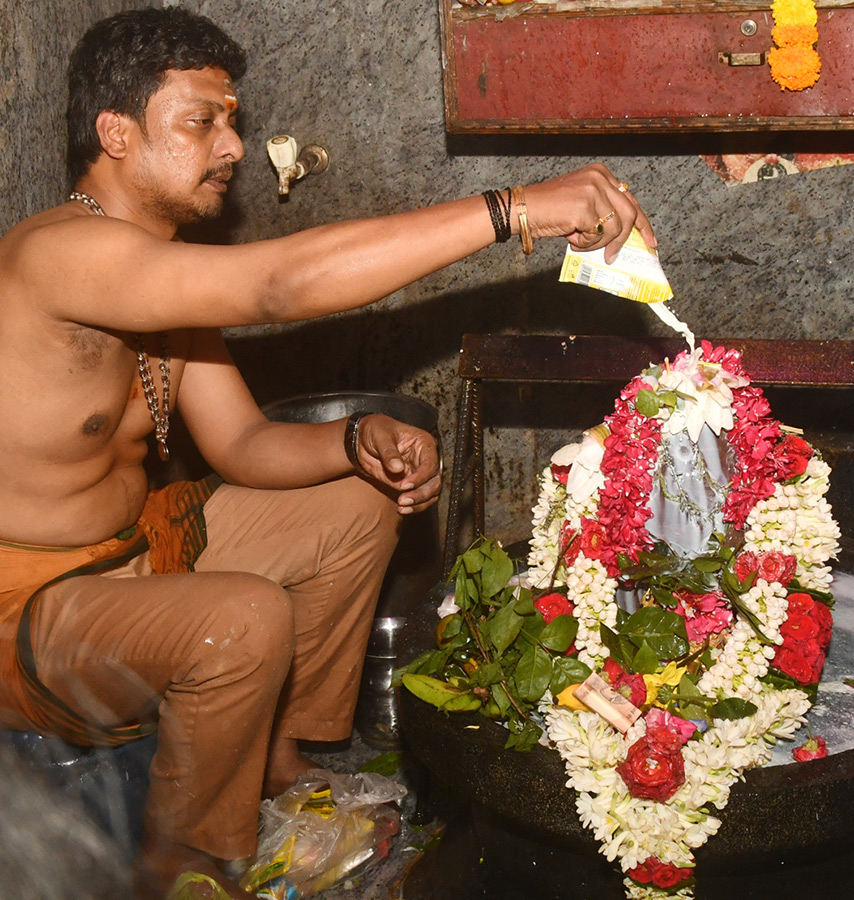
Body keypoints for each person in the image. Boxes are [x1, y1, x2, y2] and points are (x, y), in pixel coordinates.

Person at [0, 7, 654, 899]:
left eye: (231, 120)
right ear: (116, 133)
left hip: (135, 552)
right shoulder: (60, 253)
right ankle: (183, 867)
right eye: (201, 121)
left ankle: (279, 762)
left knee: (358, 498)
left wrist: (354, 441)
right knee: (241, 617)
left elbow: (241, 442)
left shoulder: (157, 266)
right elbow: (278, 284)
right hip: (27, 608)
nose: (233, 147)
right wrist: (513, 209)